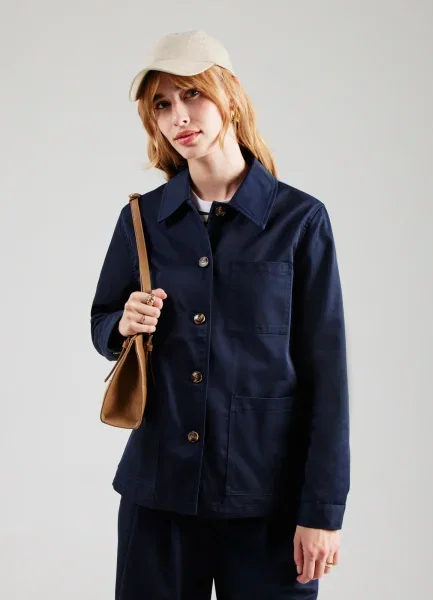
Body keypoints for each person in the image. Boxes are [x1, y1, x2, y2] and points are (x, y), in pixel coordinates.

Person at [90, 29, 351, 600]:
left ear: (229, 96)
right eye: (162, 104)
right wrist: (122, 324)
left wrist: (323, 511)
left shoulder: (299, 221)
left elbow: (327, 375)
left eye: (192, 94)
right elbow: (103, 321)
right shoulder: (142, 220)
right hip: (159, 495)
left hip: (268, 502)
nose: (178, 116)